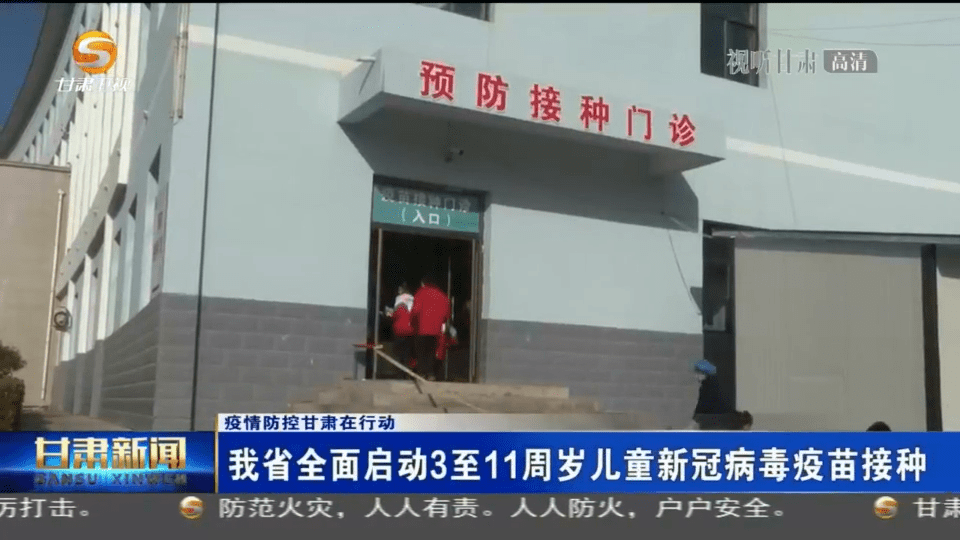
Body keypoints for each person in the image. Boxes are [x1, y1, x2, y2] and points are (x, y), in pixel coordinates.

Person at [411, 273, 451, 381]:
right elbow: (446, 314)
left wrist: (413, 324)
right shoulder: (442, 295)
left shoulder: (421, 293)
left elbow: (415, 310)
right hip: (436, 330)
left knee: (421, 352)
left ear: (424, 283)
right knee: (431, 352)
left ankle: (421, 373)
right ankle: (430, 373)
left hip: (421, 328)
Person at [383, 283, 416, 373]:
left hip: (399, 331)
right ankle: (408, 370)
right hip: (410, 330)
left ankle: (400, 370)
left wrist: (389, 314)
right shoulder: (413, 299)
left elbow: (394, 315)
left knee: (399, 351)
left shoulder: (399, 300)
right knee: (408, 351)